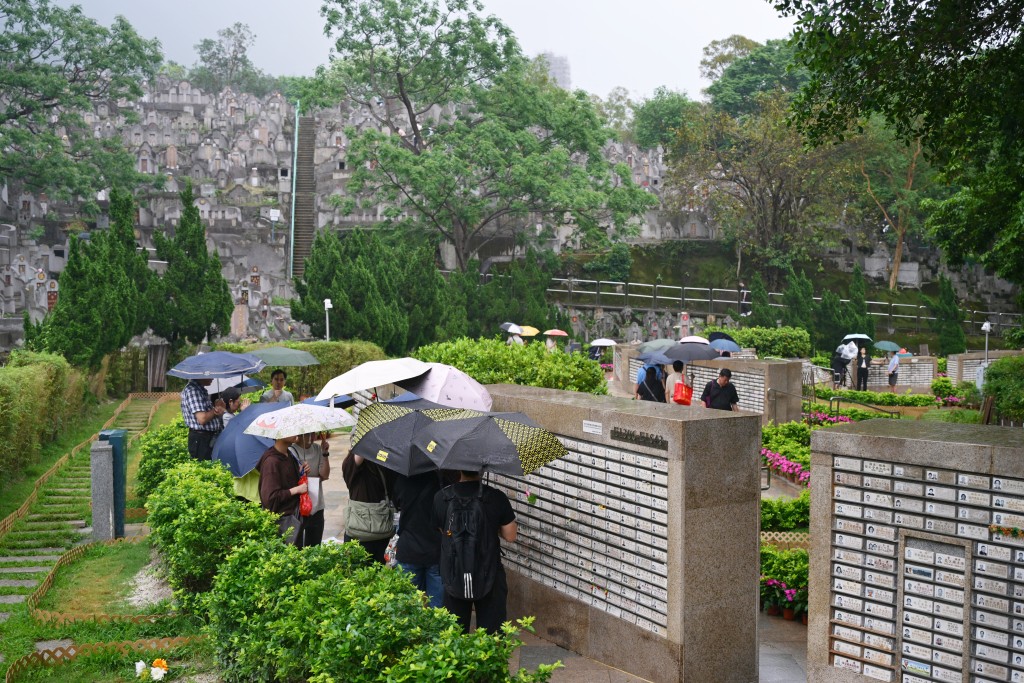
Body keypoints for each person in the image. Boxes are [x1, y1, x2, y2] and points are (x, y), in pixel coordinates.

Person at [432, 470, 517, 633]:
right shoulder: (496, 497)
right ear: (482, 470)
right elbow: (511, 535)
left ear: (458, 469)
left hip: (453, 573)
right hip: (490, 573)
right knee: (492, 637)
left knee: (453, 636)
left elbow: (442, 531)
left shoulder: (441, 497)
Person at [393, 471, 444, 608]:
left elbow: (396, 503)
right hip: (436, 551)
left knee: (407, 608)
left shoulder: (402, 479)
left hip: (408, 549)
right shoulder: (440, 480)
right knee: (438, 611)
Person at [341, 450, 394, 563]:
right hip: (360, 531)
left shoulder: (382, 460)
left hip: (379, 530)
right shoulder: (351, 464)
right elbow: (357, 457)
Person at [256, 433, 309, 544]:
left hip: (294, 516)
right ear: (279, 434)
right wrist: (297, 490)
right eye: (291, 429)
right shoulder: (272, 462)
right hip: (282, 522)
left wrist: (300, 472)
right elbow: (270, 498)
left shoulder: (288, 454)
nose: (296, 432)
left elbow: (286, 480)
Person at [291, 432, 330, 548]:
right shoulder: (292, 451)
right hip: (300, 506)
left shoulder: (318, 449)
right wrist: (301, 473)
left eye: (314, 433)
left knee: (314, 545)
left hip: (316, 504)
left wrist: (325, 453)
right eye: (308, 434)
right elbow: (290, 479)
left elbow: (325, 475)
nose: (312, 437)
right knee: (297, 544)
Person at [181, 378, 225, 460]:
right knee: (206, 467)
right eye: (210, 375)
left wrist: (217, 409)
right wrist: (216, 408)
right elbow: (202, 418)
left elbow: (208, 414)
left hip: (206, 437)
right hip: (201, 439)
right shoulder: (193, 391)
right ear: (201, 375)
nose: (212, 378)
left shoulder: (200, 390)